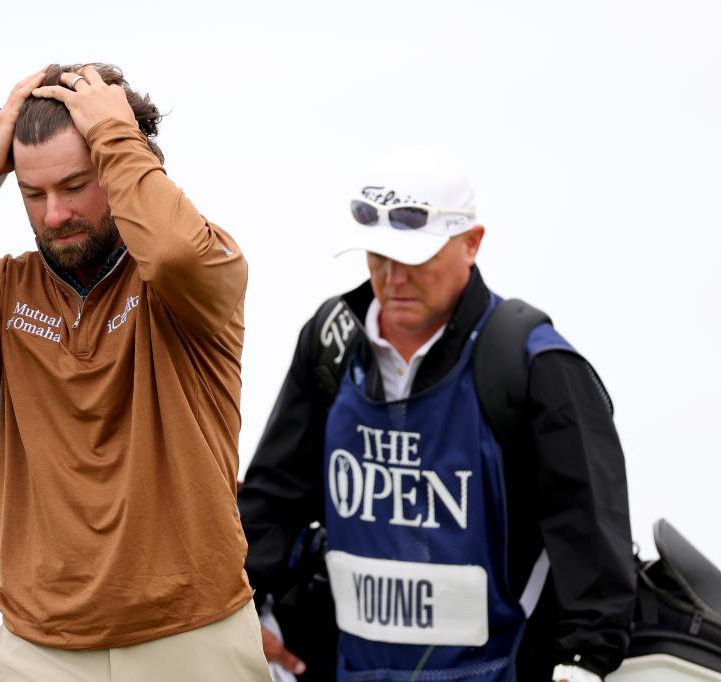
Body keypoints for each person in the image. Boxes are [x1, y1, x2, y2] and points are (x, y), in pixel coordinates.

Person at [0, 63, 271, 682]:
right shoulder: (6, 293)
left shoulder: (194, 276)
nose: (54, 215)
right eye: (33, 193)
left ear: (120, 162)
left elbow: (177, 252)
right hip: (39, 648)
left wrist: (116, 134)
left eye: (76, 185)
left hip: (192, 637)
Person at [238, 147, 635, 682]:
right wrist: (240, 611)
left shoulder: (535, 364)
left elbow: (590, 530)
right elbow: (274, 495)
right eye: (377, 255)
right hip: (349, 670)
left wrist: (585, 660)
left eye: (415, 258)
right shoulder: (332, 341)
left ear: (472, 244)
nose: (392, 277)